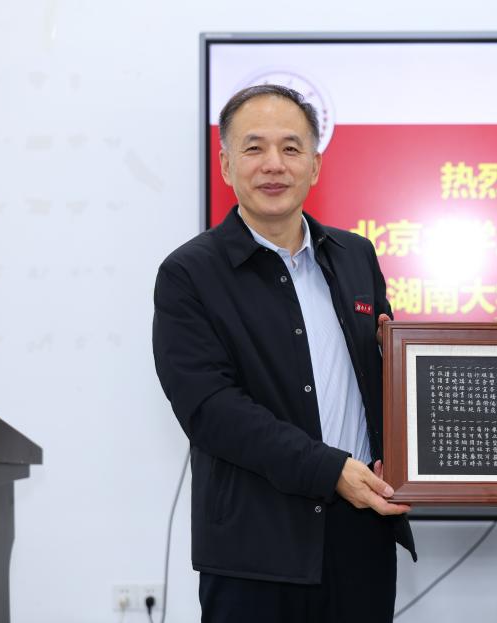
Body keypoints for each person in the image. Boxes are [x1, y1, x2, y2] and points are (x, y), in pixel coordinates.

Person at [152, 84, 414, 623]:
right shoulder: (189, 274)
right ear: (226, 165)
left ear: (314, 166)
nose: (274, 164)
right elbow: (211, 409)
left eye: (291, 148)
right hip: (255, 552)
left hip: (361, 537)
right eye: (254, 148)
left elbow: (385, 373)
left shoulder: (355, 255)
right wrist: (329, 469)